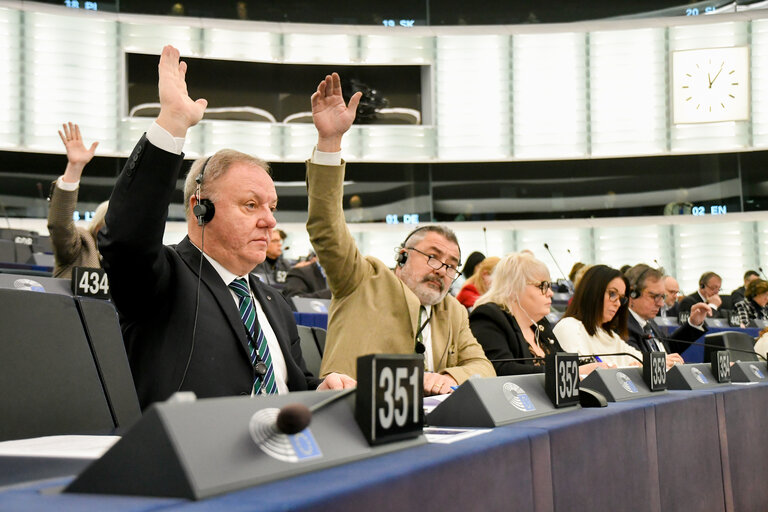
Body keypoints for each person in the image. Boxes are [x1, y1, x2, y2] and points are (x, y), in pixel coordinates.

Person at [98, 46, 354, 409]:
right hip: (193, 459)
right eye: (251, 205)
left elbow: (290, 388)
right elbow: (126, 237)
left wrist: (319, 390)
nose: (270, 220)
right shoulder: (161, 279)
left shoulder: (274, 303)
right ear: (200, 208)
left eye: (272, 207)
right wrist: (172, 122)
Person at [306, 72, 495, 396]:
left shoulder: (453, 312)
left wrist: (447, 377)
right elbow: (326, 224)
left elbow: (483, 368)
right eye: (433, 257)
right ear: (403, 256)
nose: (442, 271)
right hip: (353, 416)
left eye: (451, 265)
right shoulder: (362, 279)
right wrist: (329, 144)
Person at [469, 253, 608, 376]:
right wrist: (573, 372)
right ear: (514, 287)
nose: (550, 293)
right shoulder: (488, 317)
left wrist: (597, 367)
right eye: (543, 286)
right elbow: (502, 370)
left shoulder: (539, 323)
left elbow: (564, 360)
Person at [47, 122, 107, 279]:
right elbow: (60, 225)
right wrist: (75, 168)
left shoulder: (132, 260)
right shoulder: (82, 245)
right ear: (99, 228)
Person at [554, 265, 643, 368]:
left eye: (621, 298)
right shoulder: (569, 327)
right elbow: (574, 377)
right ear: (593, 292)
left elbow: (641, 359)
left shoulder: (610, 336)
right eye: (612, 294)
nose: (618, 304)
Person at [624, 264, 711, 368]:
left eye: (662, 297)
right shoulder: (622, 328)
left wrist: (693, 323)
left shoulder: (647, 322)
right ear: (632, 294)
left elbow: (667, 350)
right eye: (654, 296)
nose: (661, 304)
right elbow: (639, 368)